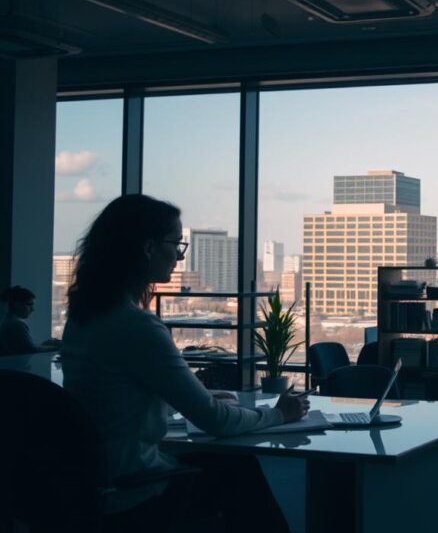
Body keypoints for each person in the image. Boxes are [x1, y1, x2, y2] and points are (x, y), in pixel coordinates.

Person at [60, 194, 309, 531]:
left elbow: (117, 402)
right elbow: (216, 422)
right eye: (176, 245)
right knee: (239, 468)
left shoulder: (84, 317)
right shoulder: (138, 327)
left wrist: (195, 400)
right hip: (134, 491)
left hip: (90, 486)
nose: (179, 257)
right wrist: (281, 413)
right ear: (148, 248)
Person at [0, 286, 60, 355]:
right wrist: (57, 347)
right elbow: (32, 349)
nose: (32, 309)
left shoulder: (6, 322)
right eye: (29, 304)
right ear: (17, 304)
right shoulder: (16, 325)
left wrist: (44, 345)